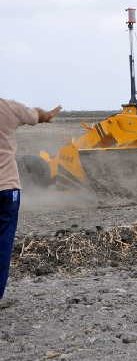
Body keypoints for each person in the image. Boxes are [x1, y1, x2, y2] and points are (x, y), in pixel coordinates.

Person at [0, 99, 61, 302]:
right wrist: (48, 115)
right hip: (7, 189)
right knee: (2, 246)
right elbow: (36, 115)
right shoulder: (7, 107)